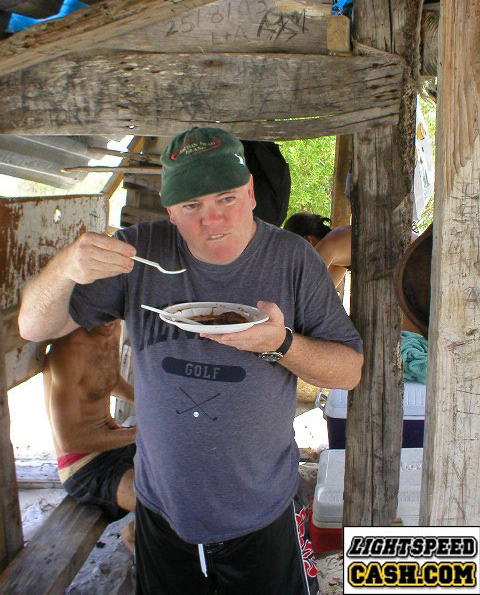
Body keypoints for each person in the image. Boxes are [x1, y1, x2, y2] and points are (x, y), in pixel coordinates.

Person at [19, 126, 363, 595]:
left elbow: (349, 370)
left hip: (263, 517)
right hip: (163, 519)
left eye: (226, 198)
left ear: (251, 192)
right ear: (169, 208)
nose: (213, 221)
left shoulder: (293, 261)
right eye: (191, 206)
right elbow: (33, 328)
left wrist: (281, 344)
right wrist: (64, 269)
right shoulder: (139, 253)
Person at [42, 319, 136, 552]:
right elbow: (69, 441)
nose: (108, 319)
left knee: (184, 473)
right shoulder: (69, 349)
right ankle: (133, 537)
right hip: (84, 466)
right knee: (162, 501)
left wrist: (146, 400)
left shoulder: (112, 330)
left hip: (114, 440)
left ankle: (140, 530)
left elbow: (104, 380)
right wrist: (138, 434)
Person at [284, 212, 420, 331]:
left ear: (308, 240)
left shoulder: (329, 244)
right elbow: (325, 292)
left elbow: (302, 289)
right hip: (409, 258)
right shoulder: (338, 252)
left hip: (413, 256)